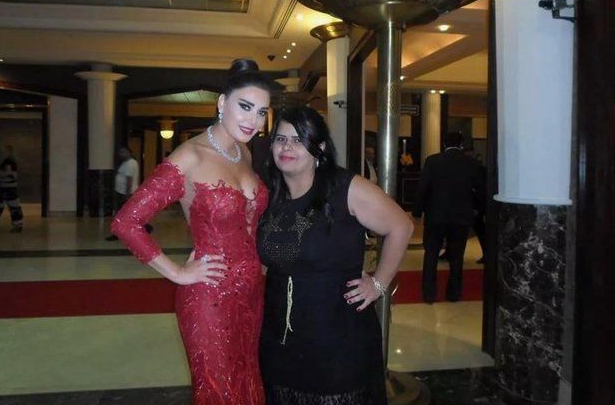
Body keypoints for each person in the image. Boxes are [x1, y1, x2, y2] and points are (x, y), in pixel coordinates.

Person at [111, 58, 274, 405]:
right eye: (245, 107)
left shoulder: (243, 152)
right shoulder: (190, 157)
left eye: (262, 112)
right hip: (208, 295)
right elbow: (126, 222)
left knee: (246, 379)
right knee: (217, 389)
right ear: (222, 103)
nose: (254, 120)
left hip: (251, 293)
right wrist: (177, 273)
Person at [258, 106, 413, 404]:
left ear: (319, 147)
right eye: (280, 139)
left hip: (337, 334)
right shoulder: (272, 193)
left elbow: (401, 226)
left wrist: (378, 283)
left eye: (299, 140)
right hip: (281, 334)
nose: (287, 147)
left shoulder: (345, 187)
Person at [412, 132, 484, 303]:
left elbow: (423, 188)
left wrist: (417, 211)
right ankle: (453, 294)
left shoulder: (433, 161)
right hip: (460, 216)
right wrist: (477, 210)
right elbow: (480, 189)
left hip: (436, 215)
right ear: (461, 145)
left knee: (431, 255)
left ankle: (429, 294)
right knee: (457, 257)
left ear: (444, 144)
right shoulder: (470, 163)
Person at [105, 146, 149, 241]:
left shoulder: (130, 163)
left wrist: (127, 194)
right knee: (126, 213)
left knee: (121, 214)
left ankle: (118, 233)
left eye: (124, 152)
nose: (121, 154)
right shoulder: (126, 163)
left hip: (124, 193)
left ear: (129, 152)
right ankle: (145, 226)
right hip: (121, 191)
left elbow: (129, 180)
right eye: (120, 152)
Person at [0, 145, 24, 233]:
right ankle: (17, 224)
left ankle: (17, 225)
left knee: (11, 206)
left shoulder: (9, 162)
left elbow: (9, 174)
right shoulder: (8, 162)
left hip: (7, 188)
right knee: (0, 205)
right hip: (5, 187)